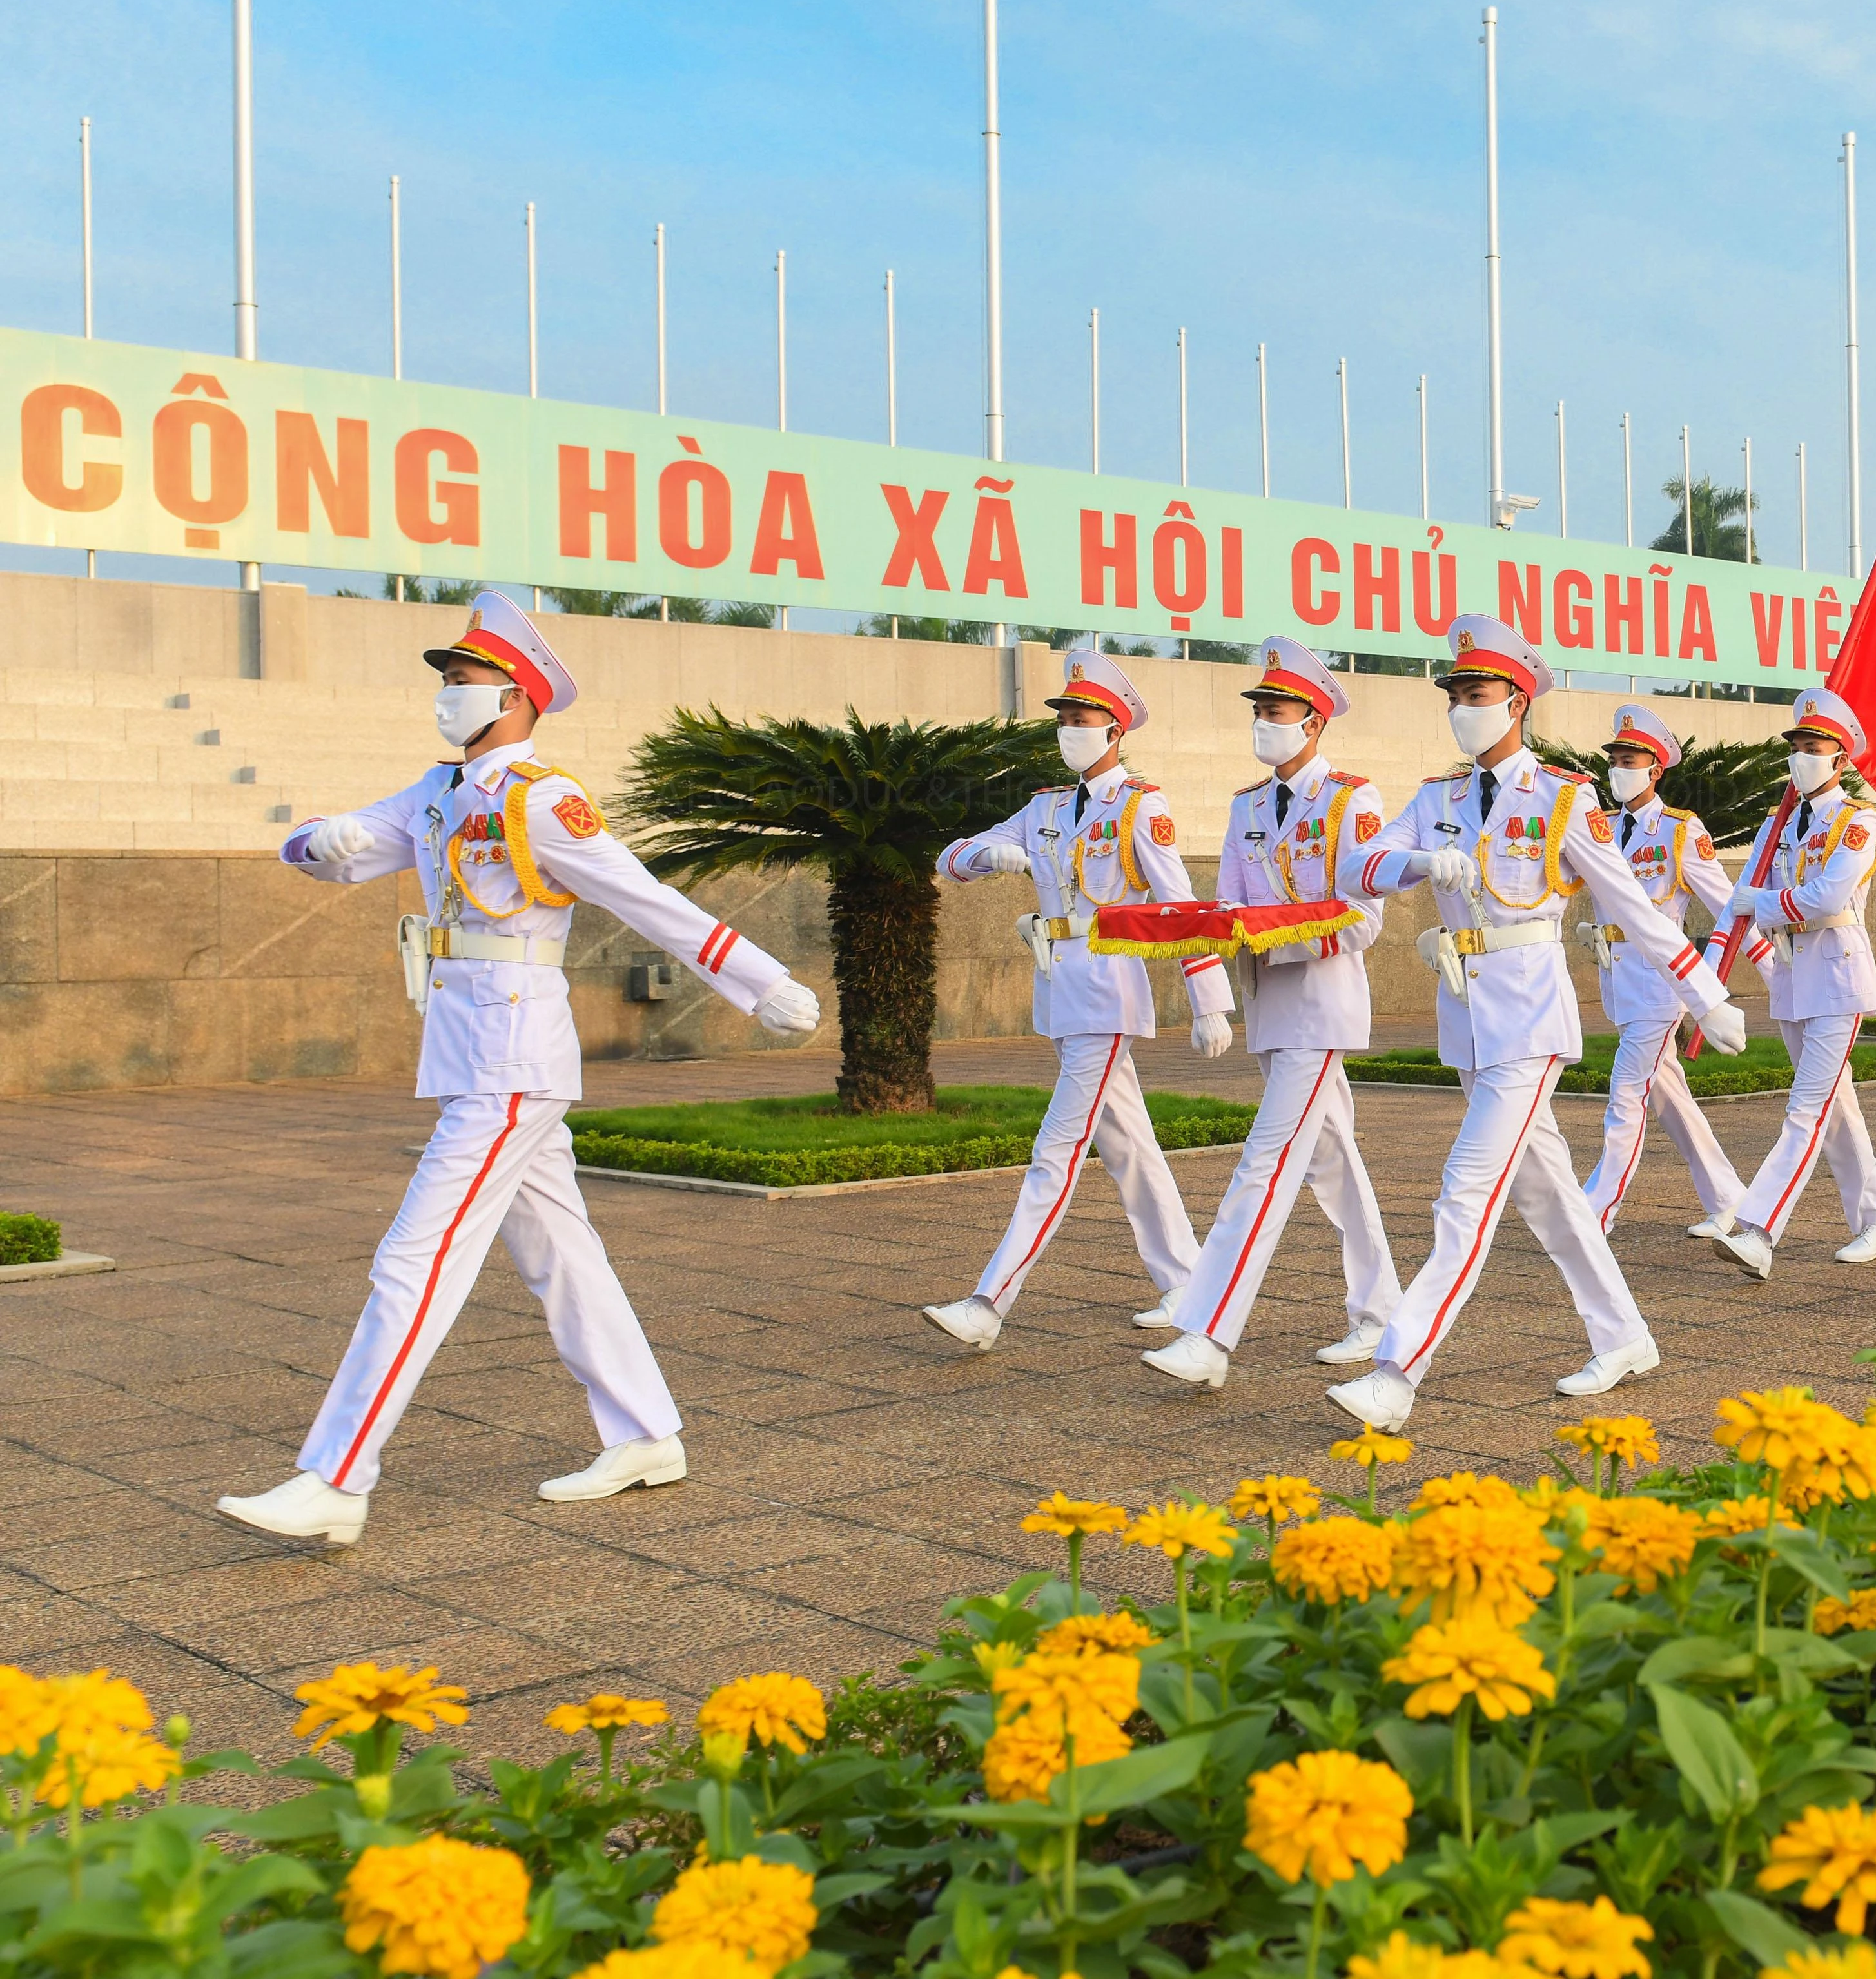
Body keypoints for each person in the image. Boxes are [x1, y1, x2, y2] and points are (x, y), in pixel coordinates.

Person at [219, 595, 822, 1548]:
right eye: (446, 681)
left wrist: (761, 981)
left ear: (513, 692)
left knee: (414, 1257)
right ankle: (645, 1433)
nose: (445, 696)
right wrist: (318, 837)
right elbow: (330, 859)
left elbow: (645, 897)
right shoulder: (434, 791)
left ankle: (337, 1474)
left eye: (459, 682)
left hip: (513, 1054)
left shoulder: (540, 797)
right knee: (559, 1253)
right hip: (468, 1051)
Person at [1327, 616, 1753, 1432]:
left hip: (1528, 1020)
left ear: (1516, 701)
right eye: (1453, 693)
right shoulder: (1437, 797)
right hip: (1468, 1020)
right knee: (1551, 1196)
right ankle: (1624, 1335)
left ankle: (1397, 1371)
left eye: (1474, 693)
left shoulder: (1563, 797)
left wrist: (1706, 994)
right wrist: (1417, 861)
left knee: (1465, 1193)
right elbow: (1357, 864)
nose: (1460, 706)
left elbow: (1633, 904)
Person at [918, 647, 1229, 1353]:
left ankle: (988, 1301)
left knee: (1054, 1152)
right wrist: (983, 855)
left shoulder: (1141, 807)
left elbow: (1178, 903)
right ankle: (1188, 1284)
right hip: (1060, 985)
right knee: (1129, 1144)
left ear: (1116, 731)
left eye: (1082, 718)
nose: (1068, 729)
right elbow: (948, 858)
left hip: (1109, 989)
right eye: (1063, 717)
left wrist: (1207, 997)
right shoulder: (1045, 807)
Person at [1136, 636, 1405, 1392]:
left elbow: (1361, 918)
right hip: (1267, 1007)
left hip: (1321, 1007)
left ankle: (1208, 1331)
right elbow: (1224, 907)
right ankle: (1382, 1311)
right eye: (1258, 709)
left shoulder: (1353, 802)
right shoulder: (1246, 805)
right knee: (1333, 1164)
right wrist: (1209, 973)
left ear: (1313, 722)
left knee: (1265, 1163)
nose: (1263, 722)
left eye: (1276, 710)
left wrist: (1269, 938)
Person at [1710, 688, 1876, 1278]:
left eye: (1814, 747)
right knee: (1836, 1109)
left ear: (1841, 760)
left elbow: (1827, 896)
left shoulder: (1857, 822)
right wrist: (1707, 977)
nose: (1802, 757)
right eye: (1796, 747)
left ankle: (1759, 1229)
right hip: (1792, 977)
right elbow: (1735, 905)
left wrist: (1761, 902)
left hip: (1837, 975)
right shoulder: (1779, 824)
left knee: (1805, 1111)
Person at [1567, 702, 1754, 1238]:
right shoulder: (1599, 826)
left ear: (1656, 769)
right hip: (1618, 977)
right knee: (1668, 1095)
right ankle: (1731, 1200)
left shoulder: (1678, 830)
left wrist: (1746, 972)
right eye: (1616, 758)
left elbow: (1728, 903)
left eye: (1631, 759)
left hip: (1660, 982)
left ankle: (1595, 1210)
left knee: (1627, 1093)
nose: (1619, 768)